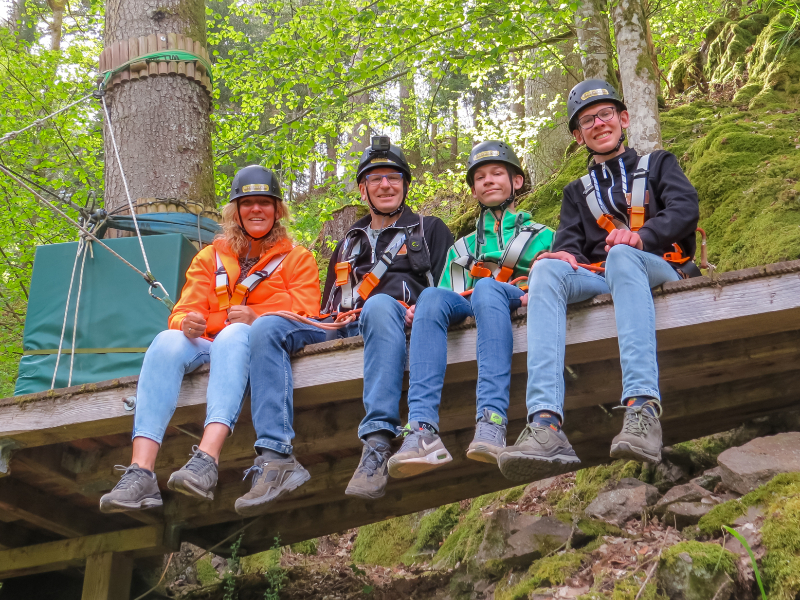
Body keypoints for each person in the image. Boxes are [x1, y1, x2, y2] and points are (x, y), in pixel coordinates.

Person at [235, 137, 453, 516]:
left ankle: (378, 443)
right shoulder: (348, 241)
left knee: (381, 303)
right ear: (362, 188)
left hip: (396, 321)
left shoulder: (428, 229)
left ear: (405, 184)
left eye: (394, 178)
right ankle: (275, 456)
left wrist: (420, 310)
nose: (386, 185)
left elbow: (447, 291)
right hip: (342, 323)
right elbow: (326, 305)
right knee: (268, 327)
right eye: (376, 178)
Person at [497, 80, 700, 482]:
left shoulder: (659, 164)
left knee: (623, 255)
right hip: (607, 278)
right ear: (578, 136)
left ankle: (642, 408)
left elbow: (684, 208)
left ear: (623, 119)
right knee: (547, 269)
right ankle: (545, 423)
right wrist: (558, 258)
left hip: (659, 267)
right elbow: (570, 244)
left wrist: (642, 237)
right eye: (587, 121)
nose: (598, 124)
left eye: (605, 114)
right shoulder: (577, 192)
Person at [99, 166, 321, 512]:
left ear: (278, 210)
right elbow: (184, 310)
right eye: (248, 203)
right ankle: (140, 472)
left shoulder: (297, 259)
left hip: (257, 347)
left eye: (265, 202)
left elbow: (307, 311)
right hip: (209, 345)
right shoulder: (210, 257)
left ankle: (206, 460)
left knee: (235, 333)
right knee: (165, 341)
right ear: (236, 211)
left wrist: (256, 316)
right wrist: (186, 322)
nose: (256, 209)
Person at [387, 141, 554, 479]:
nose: (488, 181)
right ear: (474, 190)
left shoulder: (544, 236)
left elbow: (558, 280)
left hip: (512, 298)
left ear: (517, 181)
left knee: (488, 288)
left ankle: (491, 421)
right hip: (471, 303)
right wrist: (422, 310)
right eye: (480, 177)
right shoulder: (461, 248)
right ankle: (421, 429)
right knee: (431, 297)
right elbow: (449, 294)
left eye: (496, 173)